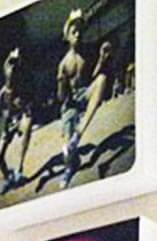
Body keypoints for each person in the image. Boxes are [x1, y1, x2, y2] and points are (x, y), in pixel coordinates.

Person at [57, 9, 115, 188]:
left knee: (102, 79)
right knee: (68, 150)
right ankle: (70, 167)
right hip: (70, 104)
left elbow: (93, 76)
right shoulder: (64, 64)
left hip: (84, 93)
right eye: (74, 31)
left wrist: (102, 59)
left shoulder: (87, 52)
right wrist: (62, 83)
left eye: (80, 31)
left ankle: (79, 132)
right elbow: (61, 97)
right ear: (67, 36)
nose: (78, 34)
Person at [0, 48, 34, 195]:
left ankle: (19, 170)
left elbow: (28, 111)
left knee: (28, 123)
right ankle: (8, 178)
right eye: (11, 64)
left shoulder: (22, 89)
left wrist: (23, 114)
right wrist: (3, 126)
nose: (12, 69)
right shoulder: (3, 93)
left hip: (19, 120)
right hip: (8, 123)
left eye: (15, 65)